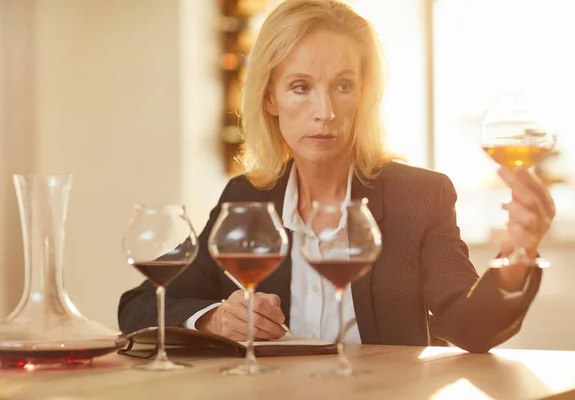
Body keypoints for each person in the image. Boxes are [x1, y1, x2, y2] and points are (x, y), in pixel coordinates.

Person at [118, 0, 555, 353]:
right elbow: (140, 306)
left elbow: (470, 329)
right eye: (301, 87)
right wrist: (214, 318)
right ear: (270, 97)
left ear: (363, 95)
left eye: (342, 86)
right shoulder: (246, 198)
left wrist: (517, 257)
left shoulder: (419, 195)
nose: (324, 112)